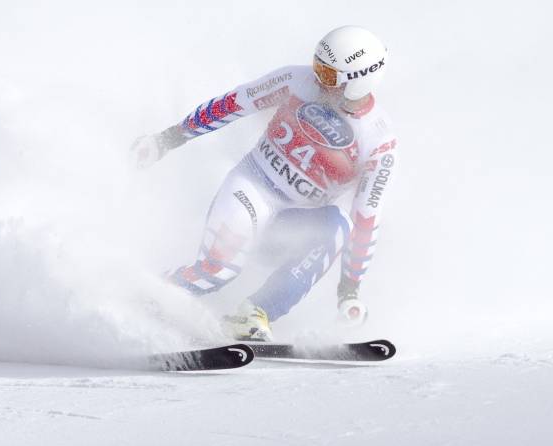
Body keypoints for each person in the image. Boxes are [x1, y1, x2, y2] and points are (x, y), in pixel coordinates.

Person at [131, 25, 399, 341]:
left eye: (327, 75)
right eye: (316, 66)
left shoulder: (377, 140)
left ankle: (253, 315)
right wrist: (167, 139)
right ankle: (146, 298)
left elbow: (366, 217)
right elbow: (232, 104)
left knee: (338, 225)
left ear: (357, 81)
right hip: (252, 188)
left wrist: (349, 290)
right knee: (219, 271)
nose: (317, 79)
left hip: (292, 226)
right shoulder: (295, 81)